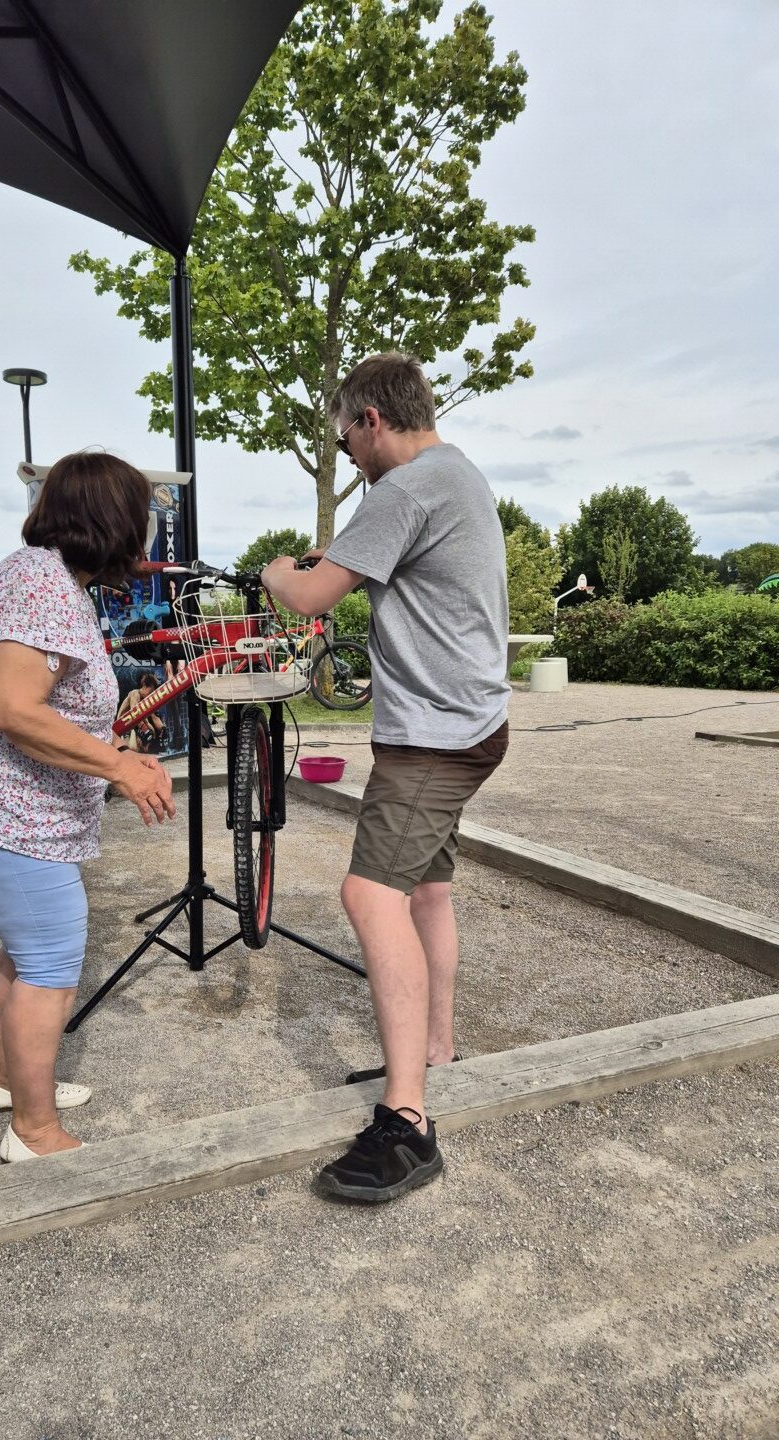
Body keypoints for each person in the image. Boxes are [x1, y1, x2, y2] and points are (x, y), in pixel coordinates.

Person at [261, 352, 510, 1204]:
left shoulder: (400, 491)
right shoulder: (455, 474)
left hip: (436, 739)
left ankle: (407, 1122)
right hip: (469, 724)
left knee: (370, 896)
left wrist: (273, 573)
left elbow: (306, 598)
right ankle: (434, 1048)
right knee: (425, 893)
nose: (349, 455)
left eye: (346, 438)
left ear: (371, 418)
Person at [0, 452, 175, 1164]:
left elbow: (47, 703)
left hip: (1, 801)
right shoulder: (44, 587)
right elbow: (15, 710)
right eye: (143, 516)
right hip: (7, 805)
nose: (149, 531)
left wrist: (111, 740)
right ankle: (34, 1131)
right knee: (49, 960)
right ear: (113, 521)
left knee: (23, 947)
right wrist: (118, 765)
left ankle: (11, 1082)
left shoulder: (42, 576)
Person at [115, 671, 166, 752]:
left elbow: (154, 717)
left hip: (134, 726)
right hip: (124, 726)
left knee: (151, 734)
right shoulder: (135, 693)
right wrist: (145, 729)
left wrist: (163, 729)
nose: (151, 694)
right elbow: (134, 715)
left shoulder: (146, 700)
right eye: (150, 691)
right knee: (132, 749)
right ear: (144, 686)